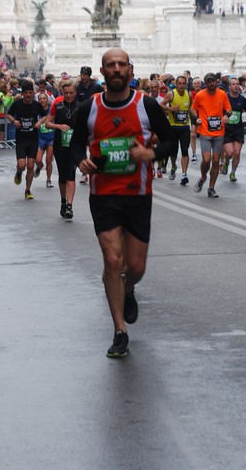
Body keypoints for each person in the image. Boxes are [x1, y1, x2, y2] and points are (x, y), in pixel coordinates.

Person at [70, 47, 175, 358]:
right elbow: (76, 142)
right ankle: (119, 331)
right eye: (110, 65)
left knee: (136, 267)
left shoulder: (147, 105)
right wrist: (81, 161)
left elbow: (170, 138)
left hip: (138, 194)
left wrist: (151, 153)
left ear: (130, 70)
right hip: (104, 195)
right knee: (113, 261)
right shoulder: (90, 107)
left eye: (121, 65)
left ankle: (128, 290)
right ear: (102, 72)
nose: (116, 69)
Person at [191, 72, 232, 198]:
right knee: (207, 159)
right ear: (206, 83)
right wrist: (197, 118)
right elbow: (193, 109)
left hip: (219, 132)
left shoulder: (222, 94)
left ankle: (211, 188)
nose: (211, 83)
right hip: (204, 131)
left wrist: (226, 115)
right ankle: (203, 177)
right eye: (209, 82)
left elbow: (229, 109)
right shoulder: (200, 95)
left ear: (216, 82)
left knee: (215, 160)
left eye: (213, 81)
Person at [45, 80, 80, 219]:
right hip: (60, 144)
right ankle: (63, 201)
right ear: (62, 93)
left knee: (71, 173)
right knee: (63, 175)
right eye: (66, 93)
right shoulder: (57, 105)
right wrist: (58, 126)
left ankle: (70, 206)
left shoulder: (80, 106)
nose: (69, 95)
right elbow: (47, 123)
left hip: (75, 144)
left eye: (71, 93)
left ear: (75, 92)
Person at [6, 80, 46, 200]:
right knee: (22, 165)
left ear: (33, 93)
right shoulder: (17, 104)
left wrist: (39, 122)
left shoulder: (36, 105)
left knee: (30, 165)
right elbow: (8, 114)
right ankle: (19, 172)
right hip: (21, 139)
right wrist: (14, 121)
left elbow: (44, 115)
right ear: (23, 93)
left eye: (30, 92)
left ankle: (27, 190)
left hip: (33, 139)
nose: (28, 95)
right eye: (26, 93)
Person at [161, 75, 192, 185]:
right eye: (179, 83)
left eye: (184, 83)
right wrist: (170, 109)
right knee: (173, 152)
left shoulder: (189, 95)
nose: (182, 86)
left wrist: (195, 117)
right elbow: (161, 105)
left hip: (184, 127)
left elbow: (190, 107)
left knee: (185, 150)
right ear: (176, 84)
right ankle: (173, 166)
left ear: (186, 84)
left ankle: (184, 175)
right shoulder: (171, 94)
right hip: (173, 127)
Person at [76, 66, 103, 184]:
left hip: (94, 117)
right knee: (82, 145)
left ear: (89, 75)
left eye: (85, 75)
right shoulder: (78, 87)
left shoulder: (97, 87)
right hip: (82, 119)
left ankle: (92, 168)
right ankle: (84, 172)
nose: (83, 77)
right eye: (82, 74)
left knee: (93, 145)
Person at [221, 77, 246, 182]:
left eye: (237, 84)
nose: (235, 86)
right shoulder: (224, 98)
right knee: (229, 153)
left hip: (238, 129)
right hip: (227, 129)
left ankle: (233, 173)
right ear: (229, 86)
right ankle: (226, 162)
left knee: (237, 152)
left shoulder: (242, 99)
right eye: (233, 84)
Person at [34, 92, 55, 188]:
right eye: (40, 99)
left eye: (44, 98)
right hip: (40, 139)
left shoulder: (52, 111)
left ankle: (48, 179)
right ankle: (39, 167)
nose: (42, 100)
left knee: (48, 160)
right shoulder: (36, 111)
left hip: (51, 138)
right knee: (38, 160)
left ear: (47, 100)